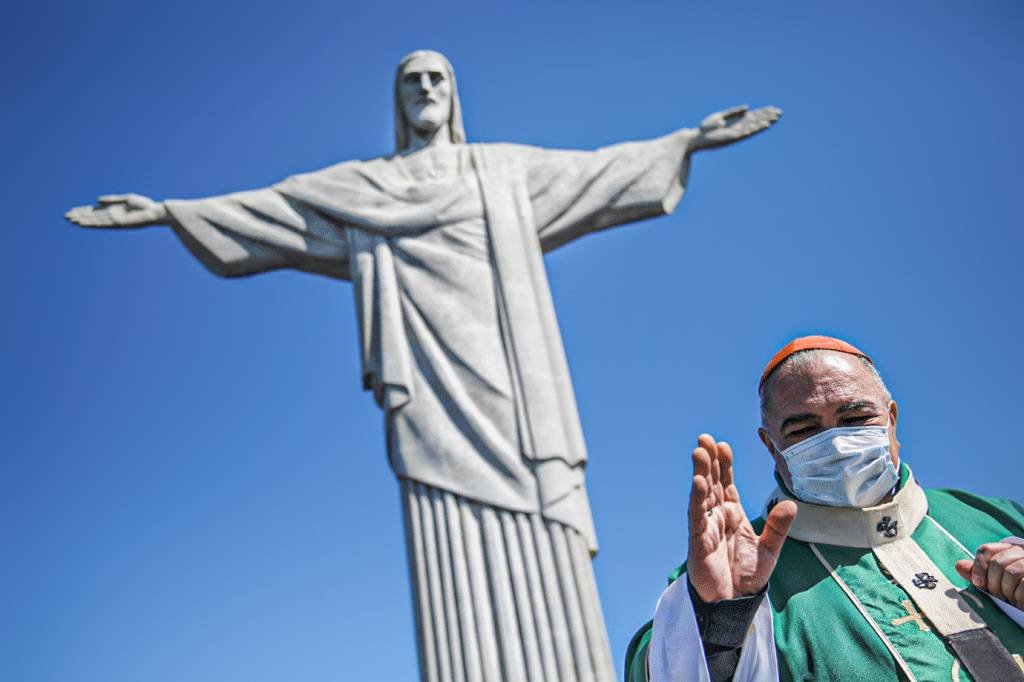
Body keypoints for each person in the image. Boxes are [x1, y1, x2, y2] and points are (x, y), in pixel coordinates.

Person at [67, 50, 782, 682]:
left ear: (453, 93)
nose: (427, 88)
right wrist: (168, 212)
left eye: (438, 77)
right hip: (431, 400)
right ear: (398, 101)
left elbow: (596, 174)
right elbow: (274, 212)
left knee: (547, 529)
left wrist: (686, 140)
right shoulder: (363, 191)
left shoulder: (501, 171)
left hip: (518, 395)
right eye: (412, 80)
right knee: (453, 549)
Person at [626, 335, 1024, 681]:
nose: (836, 443)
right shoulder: (733, 573)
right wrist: (719, 624)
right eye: (804, 430)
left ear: (892, 418)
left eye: (856, 416)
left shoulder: (996, 519)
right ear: (771, 446)